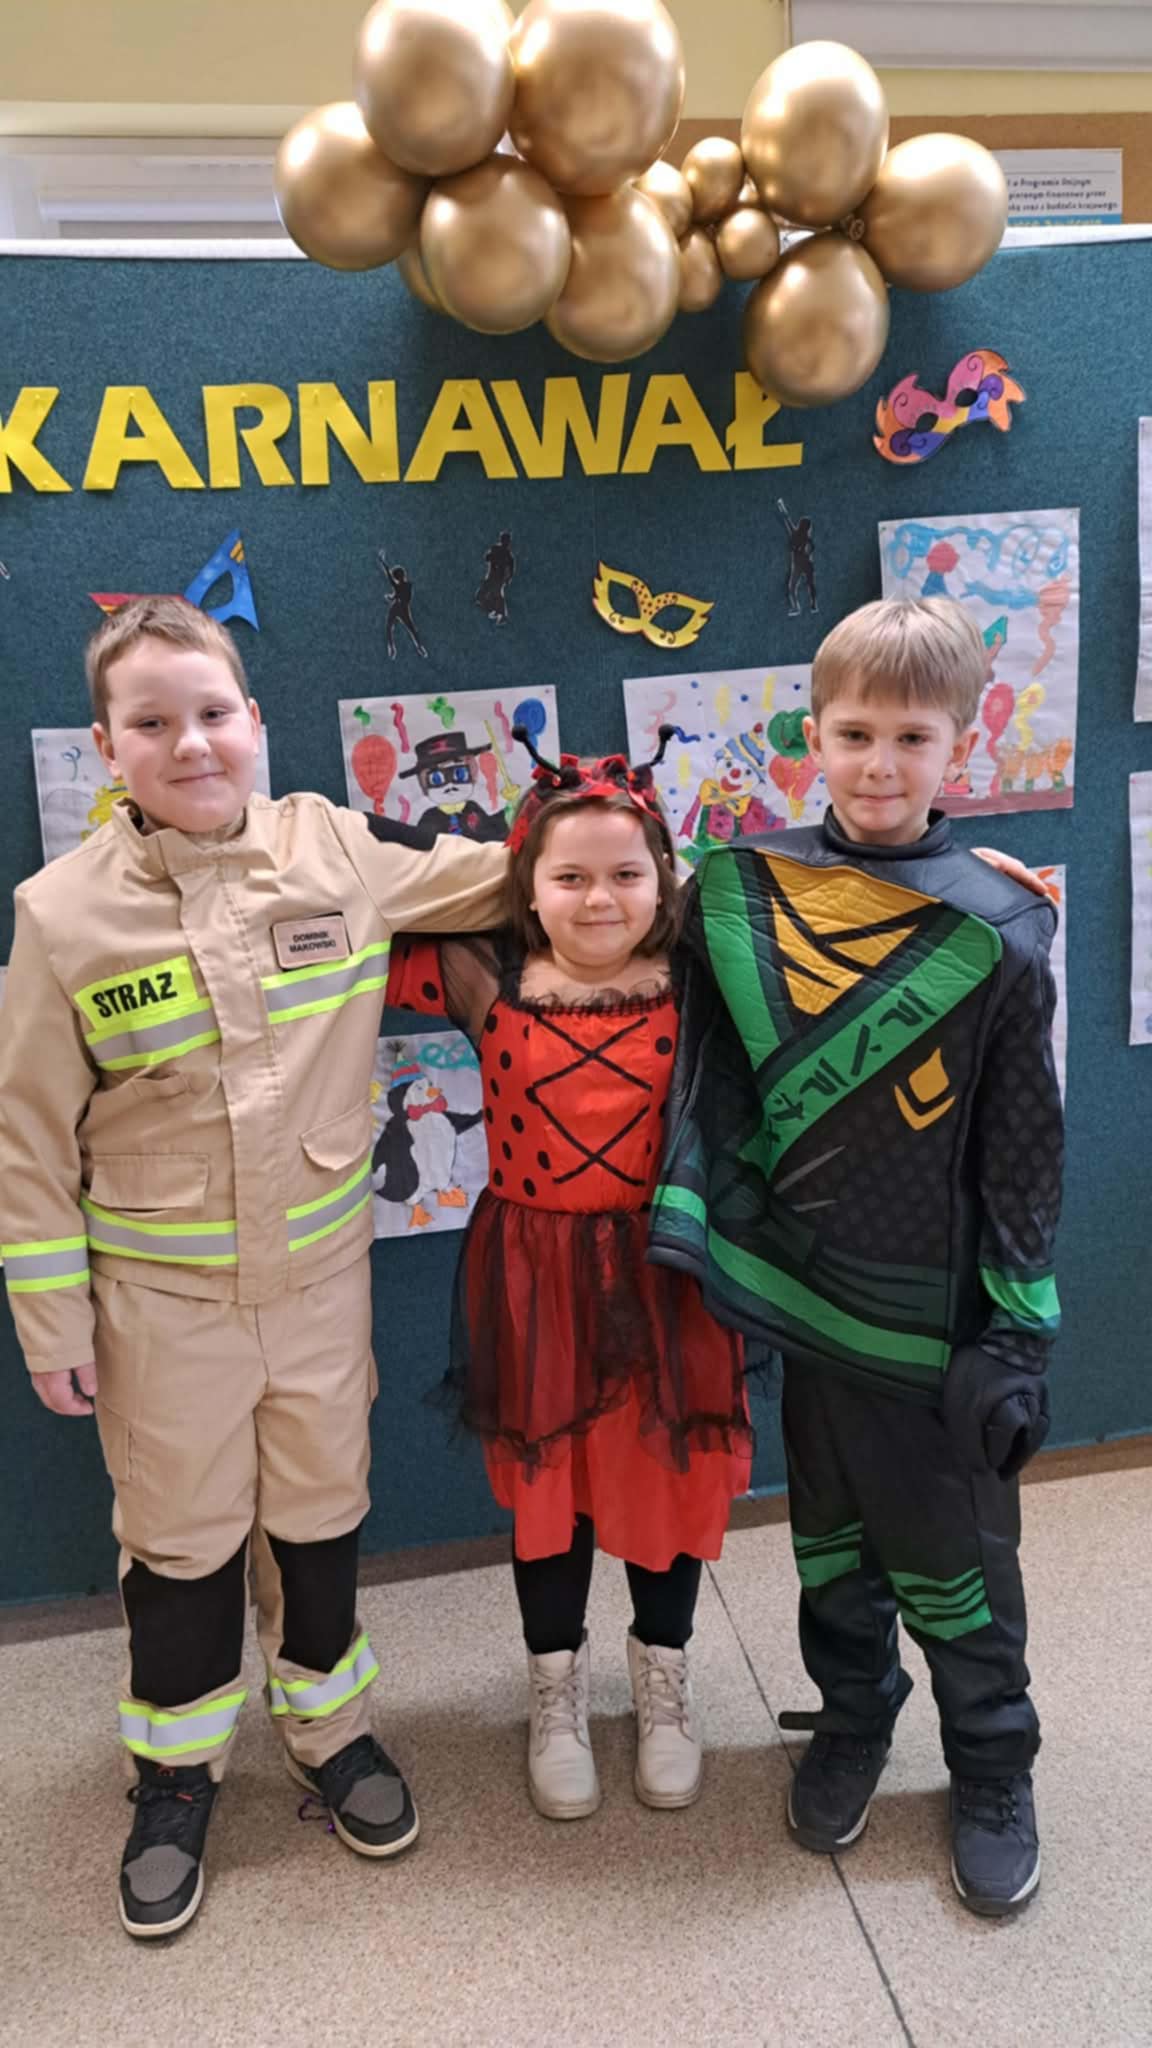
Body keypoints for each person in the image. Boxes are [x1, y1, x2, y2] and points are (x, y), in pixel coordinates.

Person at [0, 596, 507, 1940]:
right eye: (152, 721)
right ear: (108, 747)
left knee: (323, 1514)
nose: (191, 743)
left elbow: (534, 874)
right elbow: (26, 1135)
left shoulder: (337, 849)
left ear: (255, 720)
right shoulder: (61, 916)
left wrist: (716, 881)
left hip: (323, 1287)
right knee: (181, 1543)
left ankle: (331, 1732)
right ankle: (175, 1775)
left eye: (213, 712)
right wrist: (52, 1320)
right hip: (160, 1310)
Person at [649, 598, 1063, 1918]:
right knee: (829, 1542)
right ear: (812, 735)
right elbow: (693, 1049)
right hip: (807, 1301)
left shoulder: (1001, 927)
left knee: (960, 1562)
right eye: (855, 733)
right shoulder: (736, 891)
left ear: (961, 746)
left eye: (912, 737)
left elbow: (1023, 1147)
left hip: (938, 1323)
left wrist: (1018, 1331)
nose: (881, 764)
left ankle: (992, 1762)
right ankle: (853, 1716)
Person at [384, 729, 752, 1821]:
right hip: (534, 1276)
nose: (600, 899)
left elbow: (837, 914)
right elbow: (344, 908)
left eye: (627, 873)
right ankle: (556, 1690)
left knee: (665, 1474)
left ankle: (663, 1677)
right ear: (527, 886)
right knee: (551, 1491)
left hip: (669, 1268)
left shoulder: (706, 974)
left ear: (666, 878)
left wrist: (976, 877)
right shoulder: (483, 972)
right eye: (571, 876)